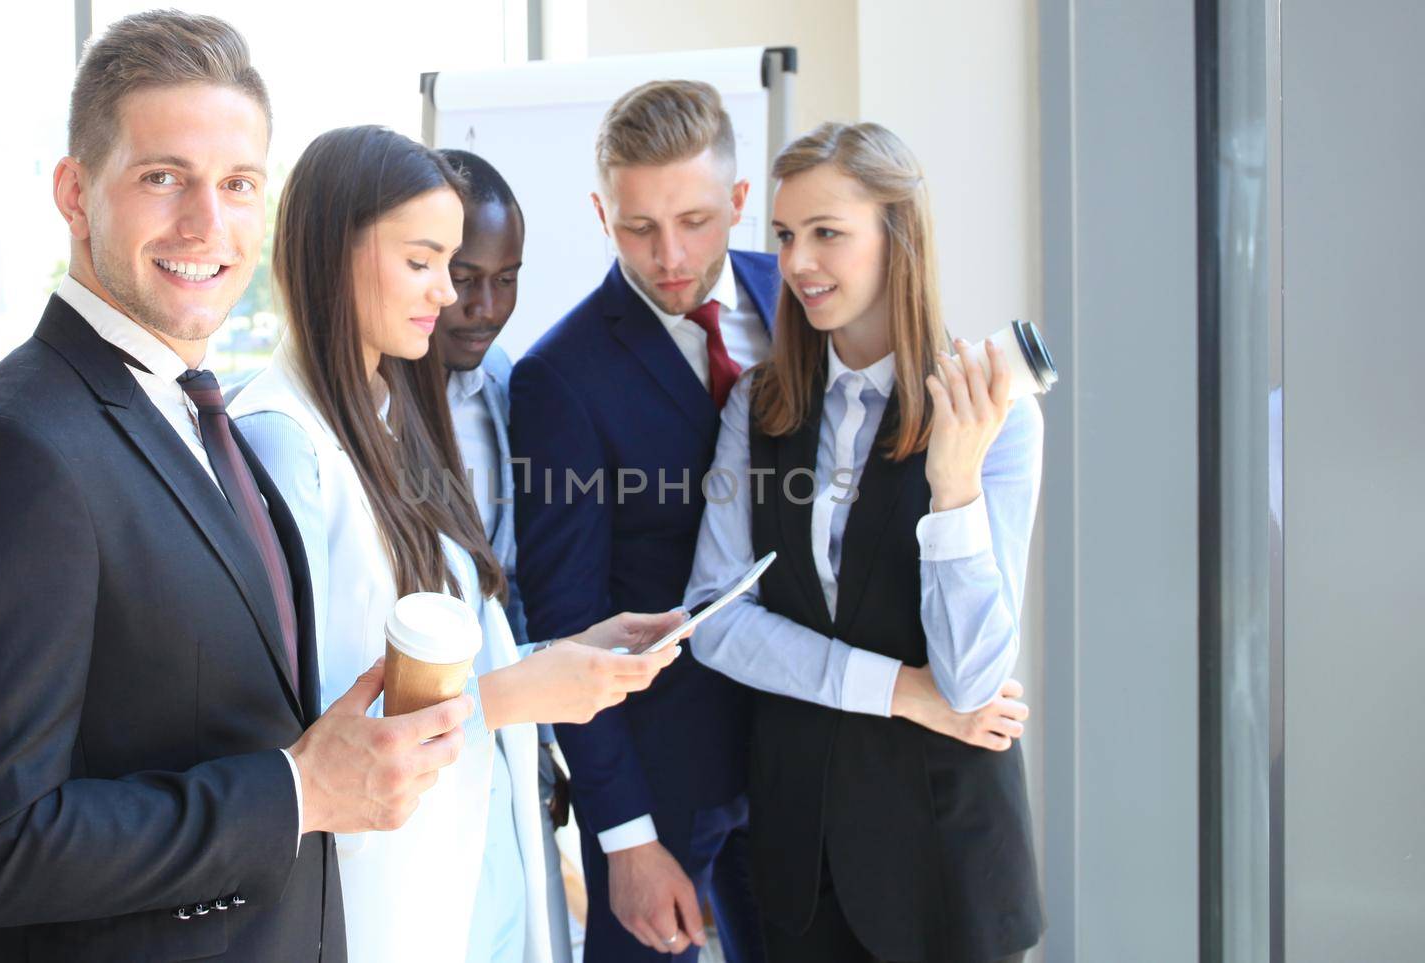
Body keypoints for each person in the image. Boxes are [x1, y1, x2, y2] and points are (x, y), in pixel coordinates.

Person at [0, 12, 469, 961]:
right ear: (75, 193)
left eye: (237, 185)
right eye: (164, 178)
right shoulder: (10, 453)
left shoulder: (201, 414)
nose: (207, 224)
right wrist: (298, 792)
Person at [228, 125, 684, 962]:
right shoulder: (284, 444)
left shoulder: (397, 414)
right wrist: (519, 694)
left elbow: (434, 654)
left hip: (478, 853)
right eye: (423, 261)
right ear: (336, 252)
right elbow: (310, 733)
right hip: (393, 885)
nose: (446, 294)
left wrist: (571, 653)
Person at [685, 122, 1043, 963]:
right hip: (801, 865)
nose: (798, 262)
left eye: (827, 233)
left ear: (898, 235)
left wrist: (953, 481)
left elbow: (972, 678)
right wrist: (897, 691)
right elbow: (714, 617)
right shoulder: (762, 405)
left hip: (948, 864)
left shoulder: (998, 411)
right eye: (784, 235)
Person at [509, 80, 776, 962]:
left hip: (808, 750)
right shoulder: (561, 378)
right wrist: (623, 836)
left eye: (697, 220)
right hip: (660, 776)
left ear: (740, 200)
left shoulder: (808, 305)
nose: (670, 254)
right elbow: (566, 627)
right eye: (638, 227)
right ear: (601, 213)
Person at [432, 148, 577, 963]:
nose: (484, 307)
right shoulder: (353, 410)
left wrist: (544, 741)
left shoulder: (510, 389)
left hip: (503, 742)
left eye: (507, 278)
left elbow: (512, 588)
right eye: (461, 275)